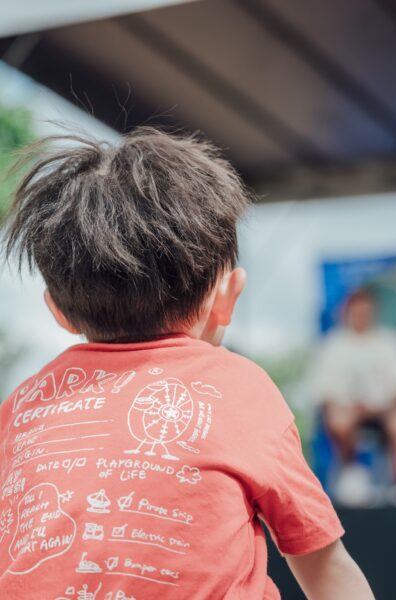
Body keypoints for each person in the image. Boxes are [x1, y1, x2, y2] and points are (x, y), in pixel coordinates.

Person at [0, 129, 374, 599]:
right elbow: (324, 565)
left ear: (57, 310)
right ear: (227, 297)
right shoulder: (239, 390)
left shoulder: (22, 409)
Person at [313, 288, 396, 505]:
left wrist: (381, 406)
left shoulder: (391, 342)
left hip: (385, 410)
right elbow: (323, 391)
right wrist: (351, 407)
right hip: (347, 409)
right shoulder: (332, 345)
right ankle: (352, 470)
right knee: (338, 419)